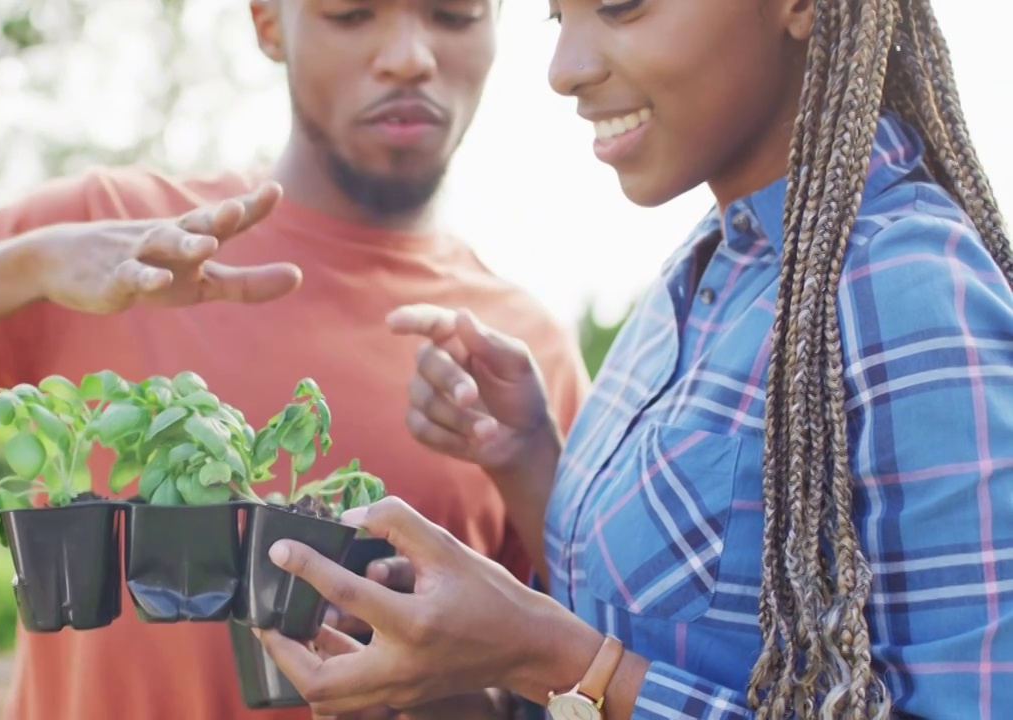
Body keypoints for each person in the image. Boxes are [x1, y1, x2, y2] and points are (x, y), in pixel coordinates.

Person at [0, 0, 589, 719]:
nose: (408, 55)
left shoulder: (520, 356)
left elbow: (584, 675)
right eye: (353, 13)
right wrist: (28, 263)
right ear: (269, 23)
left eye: (454, 14)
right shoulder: (118, 238)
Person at [255, 0, 1013, 718]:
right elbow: (663, 633)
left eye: (620, 5)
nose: (563, 67)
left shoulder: (909, 289)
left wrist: (555, 662)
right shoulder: (702, 273)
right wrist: (525, 465)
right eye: (559, 15)